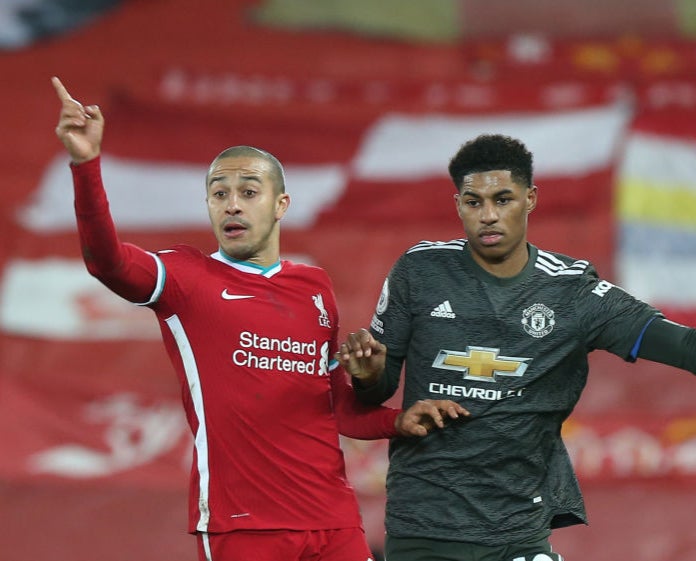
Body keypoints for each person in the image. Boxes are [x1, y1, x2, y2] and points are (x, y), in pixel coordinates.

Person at [51, 76, 469, 561]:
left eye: (249, 191)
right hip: (244, 526)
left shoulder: (314, 287)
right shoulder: (187, 276)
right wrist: (85, 163)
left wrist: (399, 420)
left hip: (332, 519)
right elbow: (108, 263)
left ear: (280, 205)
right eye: (218, 193)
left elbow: (335, 409)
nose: (232, 203)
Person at [337, 133, 696, 561]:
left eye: (503, 199)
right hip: (423, 522)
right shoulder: (420, 270)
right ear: (458, 204)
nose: (489, 216)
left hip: (517, 526)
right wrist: (367, 374)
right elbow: (377, 390)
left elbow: (689, 347)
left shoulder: (573, 292)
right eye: (473, 202)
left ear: (530, 198)